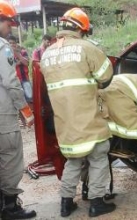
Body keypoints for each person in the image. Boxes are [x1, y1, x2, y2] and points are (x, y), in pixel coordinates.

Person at [40, 7, 116, 218]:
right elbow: (106, 77)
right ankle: (96, 203)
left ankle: (66, 203)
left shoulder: (46, 54)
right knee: (99, 157)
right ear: (81, 29)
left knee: (73, 161)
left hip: (65, 123)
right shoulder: (86, 48)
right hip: (89, 119)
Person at [0, 1, 36, 219]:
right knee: (11, 158)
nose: (10, 28)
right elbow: (11, 82)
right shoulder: (2, 47)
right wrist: (26, 111)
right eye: (8, 23)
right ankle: (10, 207)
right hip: (2, 115)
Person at [7, 35, 32, 104]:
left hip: (25, 80)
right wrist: (19, 62)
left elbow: (26, 63)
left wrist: (17, 53)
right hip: (14, 82)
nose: (12, 44)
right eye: (10, 43)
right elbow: (9, 67)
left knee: (29, 99)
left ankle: (31, 114)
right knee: (18, 102)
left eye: (13, 43)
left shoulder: (23, 52)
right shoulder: (6, 54)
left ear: (16, 43)